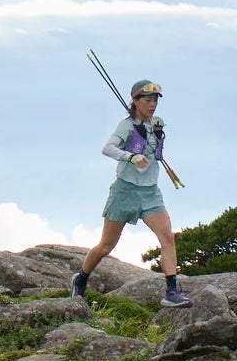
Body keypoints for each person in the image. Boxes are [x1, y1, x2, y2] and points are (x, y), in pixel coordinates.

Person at [71, 78, 192, 307]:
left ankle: (171, 291)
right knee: (106, 246)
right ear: (135, 101)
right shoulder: (126, 125)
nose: (153, 104)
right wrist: (131, 156)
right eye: (147, 100)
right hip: (125, 191)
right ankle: (81, 278)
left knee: (167, 237)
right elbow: (107, 148)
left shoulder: (158, 123)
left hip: (150, 193)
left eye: (155, 99)